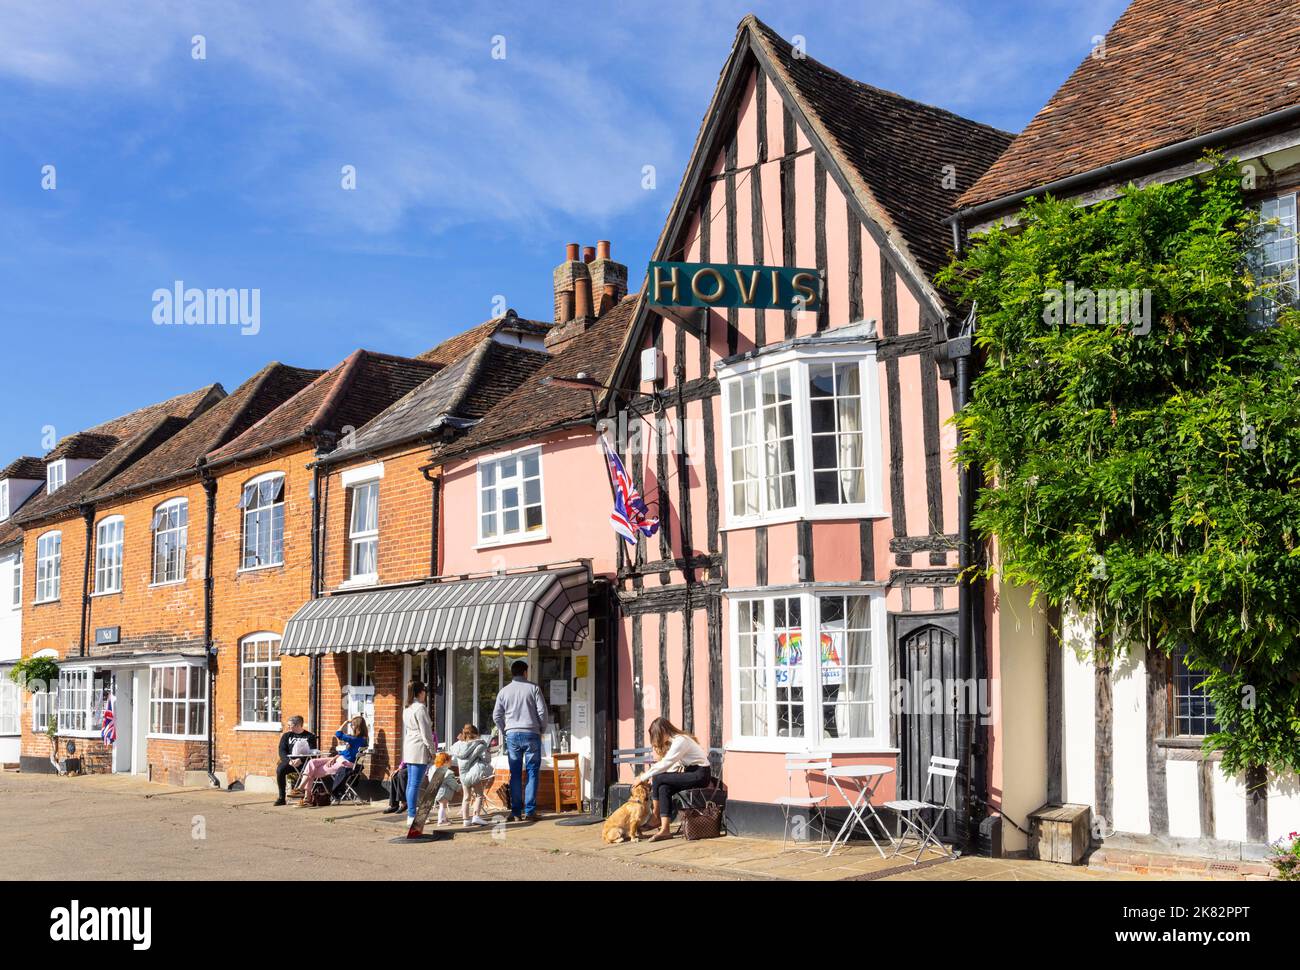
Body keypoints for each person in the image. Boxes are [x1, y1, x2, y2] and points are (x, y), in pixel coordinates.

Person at [632, 716, 712, 842]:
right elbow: (672, 763)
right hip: (691, 772)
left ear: (663, 731)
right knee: (664, 787)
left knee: (658, 777)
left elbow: (666, 763)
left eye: (657, 736)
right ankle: (665, 830)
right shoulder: (676, 741)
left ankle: (656, 816)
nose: (658, 740)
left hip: (700, 774)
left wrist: (642, 778)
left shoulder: (681, 741)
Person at [492, 659, 548, 822]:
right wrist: (541, 730)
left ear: (512, 673)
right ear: (525, 672)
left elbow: (496, 715)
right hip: (531, 733)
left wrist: (505, 730)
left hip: (512, 735)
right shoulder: (534, 688)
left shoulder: (504, 691)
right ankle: (530, 811)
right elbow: (542, 712)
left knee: (515, 774)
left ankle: (516, 812)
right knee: (532, 772)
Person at [296, 716, 368, 806]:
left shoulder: (355, 739)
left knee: (313, 771)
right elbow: (346, 752)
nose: (351, 727)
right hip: (340, 759)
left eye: (353, 725)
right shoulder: (362, 739)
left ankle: (306, 797)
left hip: (344, 763)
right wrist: (335, 757)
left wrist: (345, 722)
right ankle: (300, 789)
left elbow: (338, 733)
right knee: (312, 762)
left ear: (358, 727)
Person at [401, 680, 438, 828]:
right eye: (425, 692)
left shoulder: (407, 708)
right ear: (421, 692)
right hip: (419, 748)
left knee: (411, 783)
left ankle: (412, 813)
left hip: (409, 747)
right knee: (415, 784)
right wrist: (432, 751)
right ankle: (411, 815)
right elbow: (426, 733)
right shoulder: (420, 708)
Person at [448, 723, 493, 827]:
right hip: (474, 773)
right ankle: (476, 816)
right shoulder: (479, 745)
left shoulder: (457, 746)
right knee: (479, 795)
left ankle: (465, 820)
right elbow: (486, 758)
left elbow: (456, 757)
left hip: (463, 775)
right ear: (475, 734)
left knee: (466, 797)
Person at [274, 715, 317, 806]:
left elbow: (313, 753)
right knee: (280, 769)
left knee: (308, 771)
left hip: (304, 762)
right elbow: (281, 750)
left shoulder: (310, 736)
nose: (288, 727)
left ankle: (305, 797)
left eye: (290, 725)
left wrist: (300, 760)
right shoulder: (286, 736)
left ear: (298, 725)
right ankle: (282, 798)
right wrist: (288, 761)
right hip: (290, 762)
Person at [431, 752, 463, 826]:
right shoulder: (448, 773)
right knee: (442, 806)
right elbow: (453, 784)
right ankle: (441, 821)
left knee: (442, 806)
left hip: (436, 792)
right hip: (444, 793)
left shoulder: (433, 770)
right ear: (445, 762)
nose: (451, 762)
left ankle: (444, 818)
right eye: (450, 761)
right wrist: (460, 786)